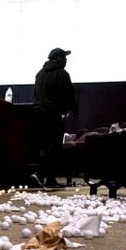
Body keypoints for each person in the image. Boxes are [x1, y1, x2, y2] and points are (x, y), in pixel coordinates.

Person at [31, 47, 77, 190]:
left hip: (38, 113)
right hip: (53, 114)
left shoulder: (39, 74)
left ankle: (46, 177)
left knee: (43, 145)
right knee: (53, 147)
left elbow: (35, 93)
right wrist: (69, 109)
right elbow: (68, 94)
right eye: (64, 57)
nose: (66, 59)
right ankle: (44, 176)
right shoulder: (62, 74)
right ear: (58, 59)